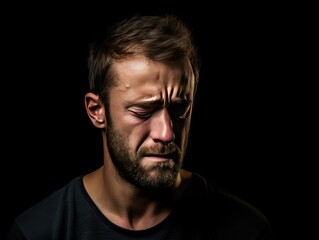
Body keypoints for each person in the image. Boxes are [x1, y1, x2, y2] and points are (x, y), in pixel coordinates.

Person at [7, 14, 275, 240]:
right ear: (96, 111)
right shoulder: (37, 233)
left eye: (180, 108)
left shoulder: (246, 231)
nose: (167, 133)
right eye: (143, 110)